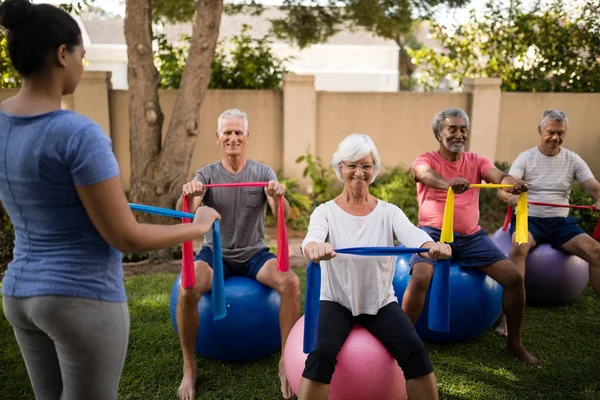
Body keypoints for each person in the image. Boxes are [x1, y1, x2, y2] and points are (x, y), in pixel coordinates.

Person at [0, 1, 220, 400]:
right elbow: (126, 237)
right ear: (62, 54)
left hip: (18, 293)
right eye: (82, 56)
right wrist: (199, 225)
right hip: (78, 296)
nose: (83, 67)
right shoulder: (77, 134)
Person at [299, 133, 451, 400]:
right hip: (336, 300)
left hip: (379, 302)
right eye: (352, 165)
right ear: (340, 168)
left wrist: (431, 245)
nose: (359, 172)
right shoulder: (325, 212)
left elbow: (414, 236)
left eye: (366, 166)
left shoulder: (388, 212)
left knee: (415, 351)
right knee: (320, 354)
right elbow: (311, 239)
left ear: (374, 170)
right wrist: (315, 248)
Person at [174, 108, 301, 400]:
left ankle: (286, 361)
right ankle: (189, 367)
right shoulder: (206, 174)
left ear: (246, 137)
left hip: (254, 254)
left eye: (238, 132)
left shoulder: (262, 172)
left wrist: (278, 196)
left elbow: (284, 214)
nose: (233, 138)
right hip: (215, 254)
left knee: (291, 282)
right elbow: (193, 216)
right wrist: (193, 193)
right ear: (218, 138)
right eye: (227, 133)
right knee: (186, 290)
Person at [401, 108, 541, 367]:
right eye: (452, 128)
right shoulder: (427, 158)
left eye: (463, 128)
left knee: (513, 278)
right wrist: (448, 183)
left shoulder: (477, 160)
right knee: (420, 278)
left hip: (471, 237)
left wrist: (513, 183)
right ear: (438, 133)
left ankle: (514, 344)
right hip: (431, 233)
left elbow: (498, 176)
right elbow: (424, 174)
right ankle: (402, 344)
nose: (459, 133)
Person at [495, 109, 600, 333]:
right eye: (551, 132)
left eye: (560, 133)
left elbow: (594, 187)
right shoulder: (526, 157)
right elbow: (506, 187)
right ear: (540, 130)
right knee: (519, 246)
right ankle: (508, 317)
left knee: (596, 251)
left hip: (560, 224)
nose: (556, 137)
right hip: (530, 219)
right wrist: (510, 195)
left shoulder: (573, 159)